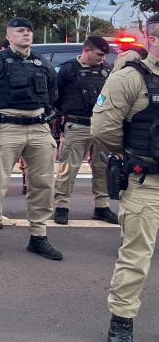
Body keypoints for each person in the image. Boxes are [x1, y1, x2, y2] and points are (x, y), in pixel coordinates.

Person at [0, 17, 61, 260]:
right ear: (9, 36)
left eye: (29, 31)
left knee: (43, 184)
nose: (26, 34)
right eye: (20, 31)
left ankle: (38, 236)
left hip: (39, 126)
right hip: (7, 127)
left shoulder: (43, 63)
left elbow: (53, 94)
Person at [93, 13, 159, 342]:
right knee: (136, 257)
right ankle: (121, 322)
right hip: (148, 181)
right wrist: (132, 153)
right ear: (150, 40)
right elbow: (102, 128)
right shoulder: (131, 78)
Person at [53, 35, 117, 225]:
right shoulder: (68, 69)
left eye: (105, 55)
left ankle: (102, 207)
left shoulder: (107, 70)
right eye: (99, 54)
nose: (103, 58)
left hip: (101, 127)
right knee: (68, 169)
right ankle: (62, 206)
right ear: (86, 51)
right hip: (77, 125)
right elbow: (55, 97)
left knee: (102, 168)